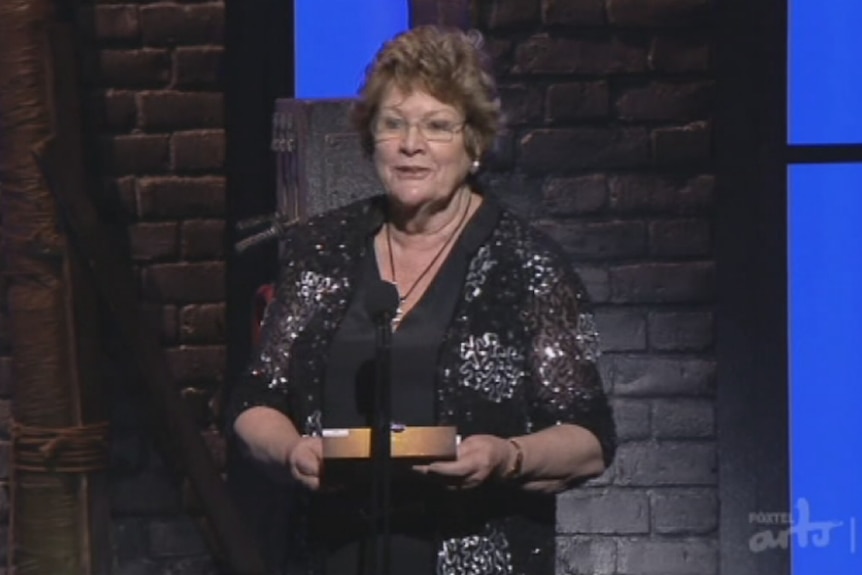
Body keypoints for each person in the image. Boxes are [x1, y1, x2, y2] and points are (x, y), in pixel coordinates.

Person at [226, 25, 617, 575]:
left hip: (477, 553)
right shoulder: (320, 250)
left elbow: (590, 439)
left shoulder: (529, 265)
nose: (412, 145)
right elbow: (253, 402)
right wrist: (291, 450)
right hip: (331, 553)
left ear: (474, 143)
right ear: (371, 140)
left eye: (437, 126)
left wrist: (507, 457)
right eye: (394, 124)